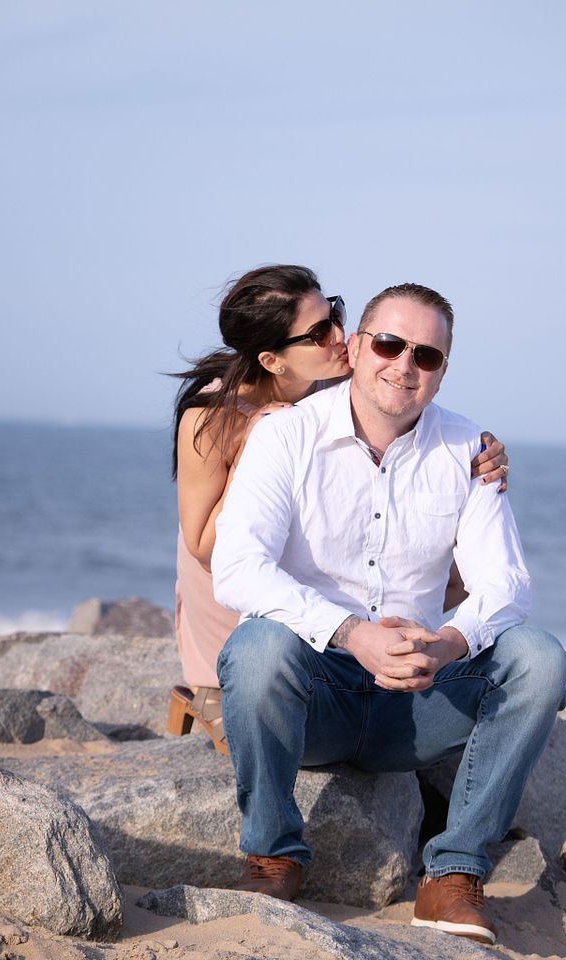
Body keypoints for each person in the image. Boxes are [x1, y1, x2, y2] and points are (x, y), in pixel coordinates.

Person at [210, 282, 566, 946]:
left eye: (426, 356)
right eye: (389, 344)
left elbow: (508, 585)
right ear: (356, 346)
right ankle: (273, 856)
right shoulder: (285, 436)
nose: (404, 365)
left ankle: (453, 875)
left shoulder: (469, 450)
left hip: (419, 699)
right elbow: (237, 567)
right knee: (256, 650)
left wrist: (450, 644)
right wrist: (353, 634)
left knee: (540, 660)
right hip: (316, 694)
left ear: (441, 372)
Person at [168, 266, 508, 755]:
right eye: (318, 333)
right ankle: (212, 687)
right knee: (259, 634)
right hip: (226, 581)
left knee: (447, 562)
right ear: (273, 360)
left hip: (316, 577)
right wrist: (260, 445)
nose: (338, 336)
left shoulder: (340, 378)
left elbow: (414, 414)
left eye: (335, 315)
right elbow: (203, 547)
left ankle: (379, 671)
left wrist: (479, 454)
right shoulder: (210, 415)